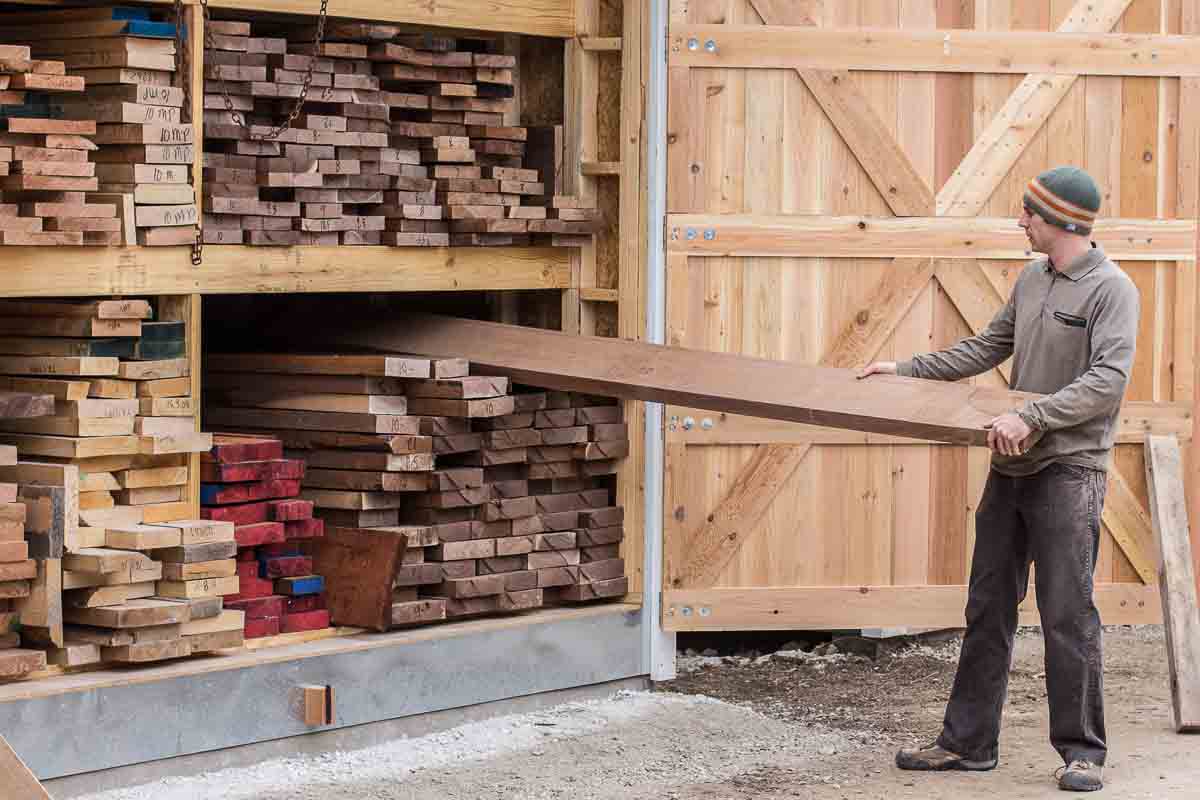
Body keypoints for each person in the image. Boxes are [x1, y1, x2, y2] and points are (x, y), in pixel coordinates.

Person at [859, 166, 1139, 793]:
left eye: (1028, 213)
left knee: (1067, 613)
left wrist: (1030, 416)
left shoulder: (1112, 290)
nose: (1020, 221)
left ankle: (1082, 752)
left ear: (1059, 220)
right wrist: (906, 370)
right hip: (1010, 467)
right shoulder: (1032, 279)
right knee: (986, 606)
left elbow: (1106, 383)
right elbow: (988, 345)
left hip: (1069, 470)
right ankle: (967, 744)